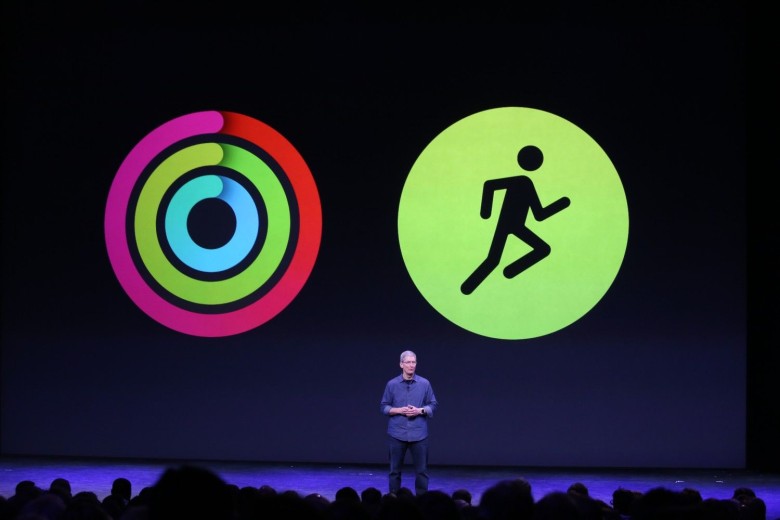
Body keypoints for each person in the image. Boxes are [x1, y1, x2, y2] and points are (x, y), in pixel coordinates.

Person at [380, 350, 438, 496]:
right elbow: (383, 406)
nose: (411, 365)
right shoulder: (392, 384)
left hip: (419, 434)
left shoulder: (424, 383)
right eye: (408, 362)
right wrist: (399, 410)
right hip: (397, 433)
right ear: (401, 364)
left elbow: (433, 404)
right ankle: (393, 501)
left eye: (414, 362)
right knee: (394, 472)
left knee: (422, 472)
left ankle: (422, 501)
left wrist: (420, 411)